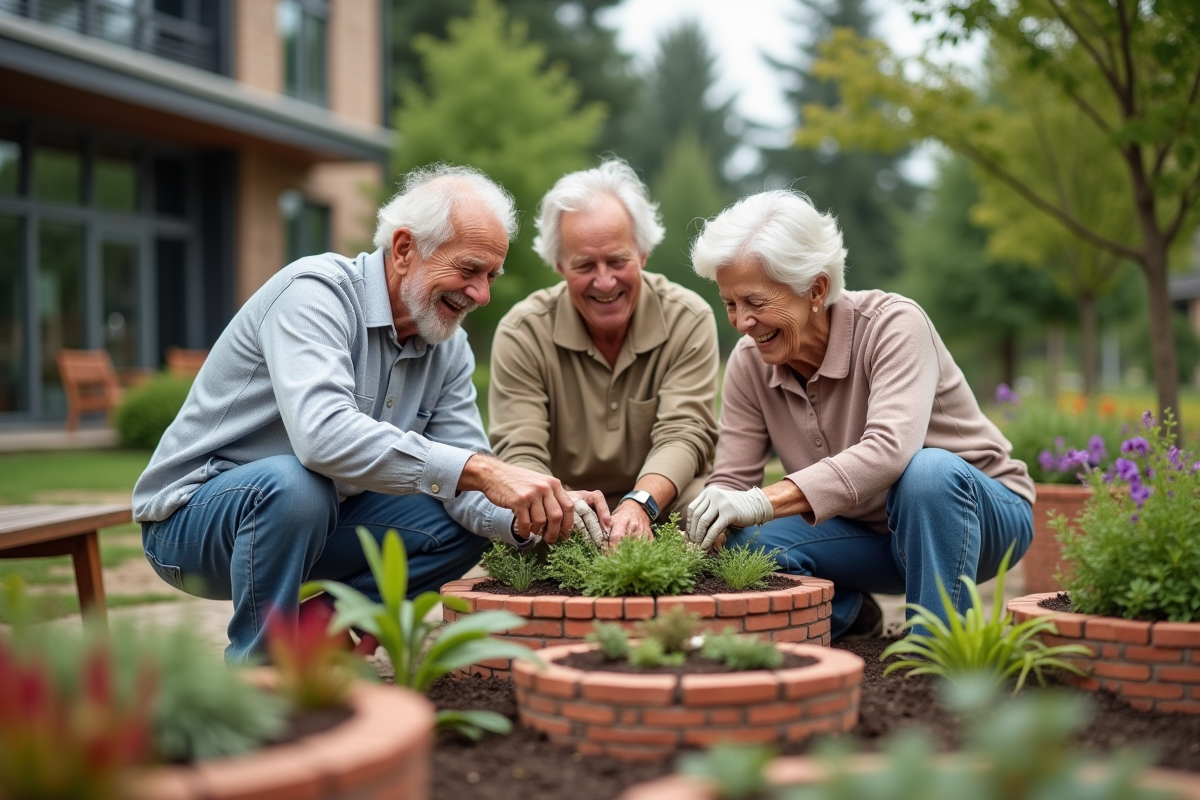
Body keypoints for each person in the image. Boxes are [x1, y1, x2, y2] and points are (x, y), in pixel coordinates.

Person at [133, 165, 608, 662]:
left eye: (490, 276)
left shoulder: (448, 348)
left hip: (317, 520)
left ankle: (315, 642)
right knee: (298, 485)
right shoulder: (315, 293)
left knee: (464, 521)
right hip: (191, 526)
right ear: (404, 249)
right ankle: (258, 673)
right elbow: (322, 437)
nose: (482, 294)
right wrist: (482, 471)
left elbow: (468, 483)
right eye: (468, 270)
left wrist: (534, 513)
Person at [684, 190, 1035, 639]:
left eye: (755, 302)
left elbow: (890, 452)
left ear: (816, 288)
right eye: (730, 303)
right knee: (744, 543)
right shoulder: (749, 363)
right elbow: (731, 479)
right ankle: (849, 613)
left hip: (975, 522)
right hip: (869, 540)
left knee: (927, 473)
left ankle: (939, 651)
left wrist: (759, 502)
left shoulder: (893, 324)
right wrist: (715, 516)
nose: (741, 322)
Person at [488, 160, 719, 544]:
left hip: (661, 502)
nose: (605, 281)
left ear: (643, 253)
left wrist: (639, 504)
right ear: (559, 264)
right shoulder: (522, 330)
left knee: (708, 516)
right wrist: (565, 509)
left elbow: (684, 433)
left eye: (617, 260)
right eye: (584, 265)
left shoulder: (688, 317)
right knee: (507, 525)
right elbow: (520, 448)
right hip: (564, 510)